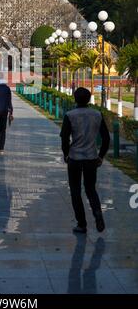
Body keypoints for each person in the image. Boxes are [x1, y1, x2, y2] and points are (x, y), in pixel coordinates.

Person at [60, 87, 110, 234]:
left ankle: (82, 224)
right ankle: (97, 213)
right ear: (88, 99)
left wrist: (66, 154)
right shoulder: (97, 114)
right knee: (90, 189)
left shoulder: (70, 115)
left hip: (75, 158)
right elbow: (106, 138)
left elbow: (64, 138)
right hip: (91, 158)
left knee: (75, 191)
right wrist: (101, 156)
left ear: (75, 99)